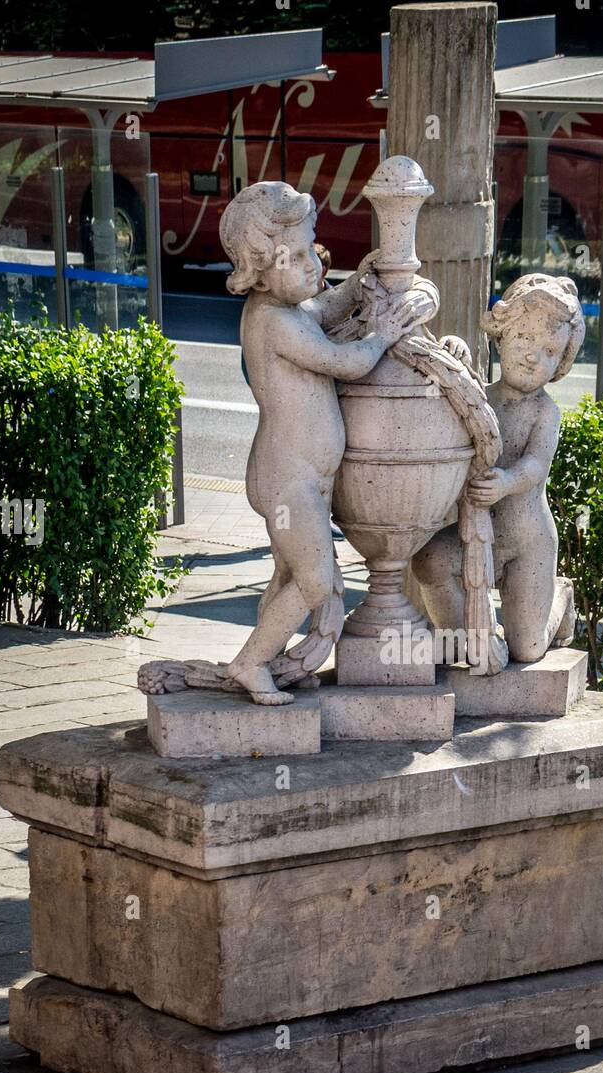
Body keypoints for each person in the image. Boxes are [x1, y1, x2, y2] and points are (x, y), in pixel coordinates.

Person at [219, 181, 430, 703]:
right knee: (316, 582)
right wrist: (383, 333)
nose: (313, 265)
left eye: (313, 248)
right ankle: (250, 663)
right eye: (297, 258)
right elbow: (346, 362)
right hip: (288, 480)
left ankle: (265, 658)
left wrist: (360, 282)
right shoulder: (274, 323)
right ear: (261, 268)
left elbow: (326, 308)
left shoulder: (287, 311)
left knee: (290, 574)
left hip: (301, 478)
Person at [413, 273, 584, 664]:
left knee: (528, 648)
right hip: (478, 534)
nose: (532, 356)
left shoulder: (545, 412)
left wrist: (507, 481)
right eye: (523, 338)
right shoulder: (482, 396)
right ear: (500, 334)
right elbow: (456, 388)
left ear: (560, 362)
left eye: (549, 350)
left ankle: (560, 598)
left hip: (529, 543)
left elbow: (536, 467)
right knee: (430, 560)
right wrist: (453, 350)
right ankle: (460, 636)